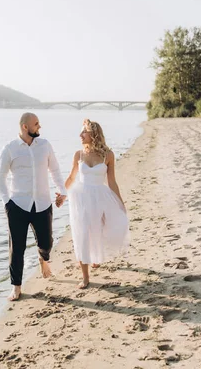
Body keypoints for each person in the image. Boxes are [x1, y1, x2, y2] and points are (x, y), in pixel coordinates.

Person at [0, 112, 67, 301]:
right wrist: (7, 202)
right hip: (17, 204)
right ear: (25, 127)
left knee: (47, 243)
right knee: (16, 248)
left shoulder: (45, 146)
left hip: (43, 203)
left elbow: (55, 170)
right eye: (36, 124)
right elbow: (1, 177)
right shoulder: (10, 149)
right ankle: (16, 287)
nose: (39, 127)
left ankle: (43, 259)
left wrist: (62, 190)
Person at [64, 119, 129, 289]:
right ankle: (85, 276)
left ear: (93, 134)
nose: (80, 135)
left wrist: (120, 203)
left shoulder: (108, 155)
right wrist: (62, 195)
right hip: (81, 197)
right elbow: (71, 178)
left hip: (101, 196)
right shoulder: (79, 154)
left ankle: (95, 257)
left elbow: (112, 182)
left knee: (99, 230)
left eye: (83, 132)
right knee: (82, 233)